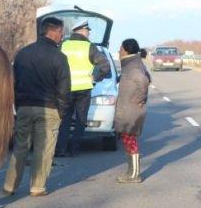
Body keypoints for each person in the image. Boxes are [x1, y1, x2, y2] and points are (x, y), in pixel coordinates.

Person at [3, 17, 70, 196]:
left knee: (20, 147)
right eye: (60, 32)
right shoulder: (59, 57)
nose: (62, 35)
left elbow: (14, 83)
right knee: (44, 148)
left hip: (24, 106)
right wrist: (61, 110)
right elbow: (64, 88)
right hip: (49, 108)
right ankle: (37, 187)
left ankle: (10, 185)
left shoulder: (23, 54)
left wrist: (18, 105)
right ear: (52, 31)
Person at [55, 19, 111, 156]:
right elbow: (105, 66)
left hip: (65, 89)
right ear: (81, 31)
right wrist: (95, 77)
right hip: (83, 89)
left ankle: (61, 149)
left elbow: (53, 64)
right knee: (80, 120)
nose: (89, 34)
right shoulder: (90, 47)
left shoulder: (63, 45)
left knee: (64, 119)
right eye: (87, 31)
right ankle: (74, 150)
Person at [114, 38, 149, 183]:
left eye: (120, 49)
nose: (119, 51)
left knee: (130, 140)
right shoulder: (131, 63)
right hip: (128, 107)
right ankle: (131, 172)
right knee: (128, 139)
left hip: (131, 109)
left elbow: (143, 81)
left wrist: (138, 99)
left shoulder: (133, 66)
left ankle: (134, 175)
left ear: (126, 50)